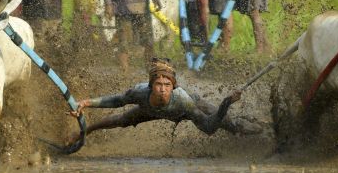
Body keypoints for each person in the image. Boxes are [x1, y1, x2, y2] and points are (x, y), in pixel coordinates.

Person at [67, 58, 260, 144]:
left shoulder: (183, 100)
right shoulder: (140, 92)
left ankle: (258, 129)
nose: (162, 89)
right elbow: (117, 100)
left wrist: (226, 103)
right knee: (121, 120)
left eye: (167, 85)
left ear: (173, 87)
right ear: (151, 86)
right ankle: (84, 132)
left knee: (229, 124)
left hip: (186, 109)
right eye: (158, 84)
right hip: (149, 109)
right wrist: (86, 103)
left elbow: (208, 128)